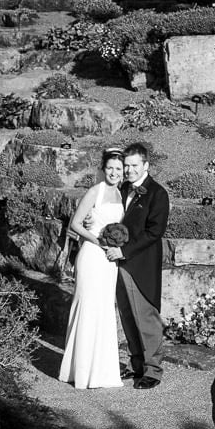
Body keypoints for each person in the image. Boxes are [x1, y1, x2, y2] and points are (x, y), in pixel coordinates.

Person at [103, 143, 170, 390]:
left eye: (133, 165)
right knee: (128, 317)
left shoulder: (157, 193)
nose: (129, 170)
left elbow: (154, 232)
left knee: (145, 318)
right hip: (117, 263)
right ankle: (138, 364)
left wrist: (124, 250)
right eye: (126, 165)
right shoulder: (120, 189)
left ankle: (153, 370)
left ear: (146, 165)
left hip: (140, 264)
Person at [58, 148, 125, 389]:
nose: (114, 172)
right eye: (110, 168)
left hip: (110, 260)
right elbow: (75, 223)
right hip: (92, 255)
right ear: (103, 169)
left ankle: (102, 372)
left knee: (104, 309)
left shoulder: (121, 195)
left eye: (118, 169)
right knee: (86, 306)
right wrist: (98, 240)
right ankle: (81, 371)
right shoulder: (94, 192)